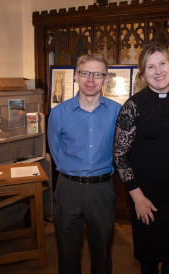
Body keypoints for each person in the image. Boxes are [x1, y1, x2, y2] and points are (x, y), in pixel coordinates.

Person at [114, 44, 169, 274]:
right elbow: (120, 156)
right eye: (150, 66)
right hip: (146, 197)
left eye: (162, 63)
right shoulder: (133, 107)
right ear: (143, 73)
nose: (158, 70)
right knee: (149, 264)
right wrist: (138, 198)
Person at [48, 53, 121, 274]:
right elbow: (56, 151)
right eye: (85, 73)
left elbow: (122, 151)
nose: (91, 79)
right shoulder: (58, 113)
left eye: (97, 74)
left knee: (102, 252)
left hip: (102, 189)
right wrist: (74, 172)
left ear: (106, 79)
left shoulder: (117, 112)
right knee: (67, 253)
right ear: (76, 76)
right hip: (67, 189)